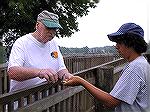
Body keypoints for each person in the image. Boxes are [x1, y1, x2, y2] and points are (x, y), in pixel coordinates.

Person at [64, 23, 150, 112]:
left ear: (132, 43)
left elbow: (111, 102)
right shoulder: (143, 63)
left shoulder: (134, 68)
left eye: (119, 42)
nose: (116, 46)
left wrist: (81, 81)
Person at [8, 10, 73, 92]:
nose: (52, 33)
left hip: (47, 100)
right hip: (23, 101)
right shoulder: (22, 43)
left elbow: (60, 68)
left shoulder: (53, 44)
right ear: (37, 25)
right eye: (48, 28)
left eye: (55, 29)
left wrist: (67, 76)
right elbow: (13, 72)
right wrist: (39, 72)